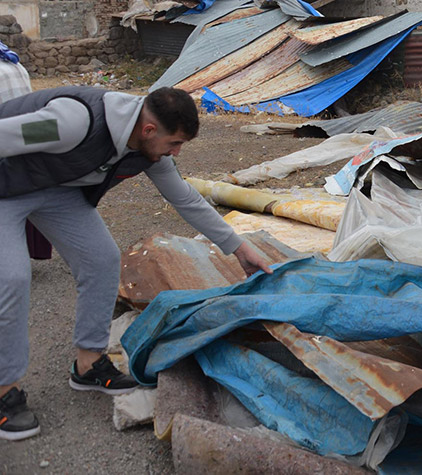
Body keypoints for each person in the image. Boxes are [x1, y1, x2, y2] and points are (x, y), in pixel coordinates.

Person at [0, 86, 274, 441]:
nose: (174, 153)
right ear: (148, 130)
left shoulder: (149, 151)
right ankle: (5, 390)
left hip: (56, 190)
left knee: (101, 259)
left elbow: (186, 198)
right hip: (5, 189)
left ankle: (88, 364)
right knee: (12, 278)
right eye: (174, 143)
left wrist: (238, 247)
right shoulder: (70, 123)